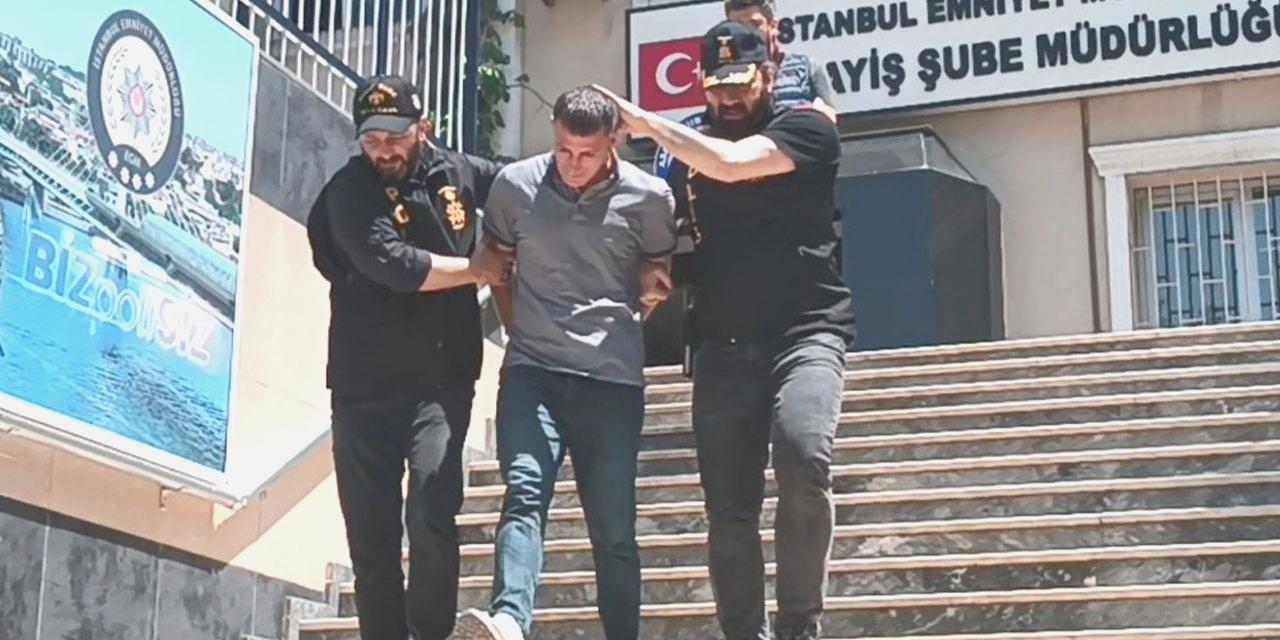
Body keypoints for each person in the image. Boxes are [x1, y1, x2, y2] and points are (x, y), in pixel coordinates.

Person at [595, 19, 855, 640]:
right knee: (729, 511)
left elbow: (734, 166)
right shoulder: (685, 158)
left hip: (806, 332)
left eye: (741, 83)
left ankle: (799, 625)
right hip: (723, 342)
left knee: (803, 456)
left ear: (769, 75)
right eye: (717, 86)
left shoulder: (807, 128)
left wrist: (647, 121)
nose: (729, 98)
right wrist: (657, 273)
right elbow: (681, 240)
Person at [453, 87, 678, 640]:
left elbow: (655, 279)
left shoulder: (650, 198)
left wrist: (621, 326)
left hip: (612, 381)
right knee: (524, 490)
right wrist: (521, 332)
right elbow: (497, 269)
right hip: (533, 372)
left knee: (613, 526)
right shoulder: (514, 186)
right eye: (562, 150)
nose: (573, 164)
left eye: (587, 153)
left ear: (613, 143)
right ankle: (510, 619)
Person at [306, 75, 511, 640]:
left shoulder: (458, 172)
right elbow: (396, 267)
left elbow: (519, 184)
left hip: (441, 384)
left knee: (431, 513)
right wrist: (477, 270)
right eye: (372, 140)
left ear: (423, 127)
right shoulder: (348, 193)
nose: (384, 151)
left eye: (395, 137)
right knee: (371, 541)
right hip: (363, 389)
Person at [653, 0, 837, 179]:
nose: (729, 98)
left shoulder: (804, 67)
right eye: (737, 24)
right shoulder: (717, 72)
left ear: (773, 26)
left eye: (754, 24)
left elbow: (827, 121)